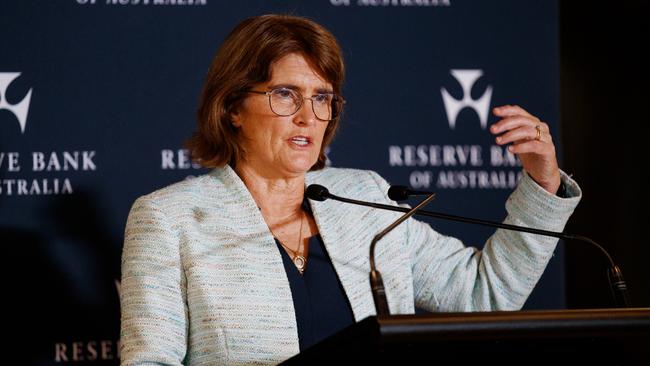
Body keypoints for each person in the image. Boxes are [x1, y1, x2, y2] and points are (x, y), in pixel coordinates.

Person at [119, 14, 581, 366]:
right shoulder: (169, 218)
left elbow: (484, 293)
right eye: (285, 94)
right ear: (233, 107)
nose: (307, 116)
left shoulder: (365, 198)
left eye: (321, 97)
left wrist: (542, 181)